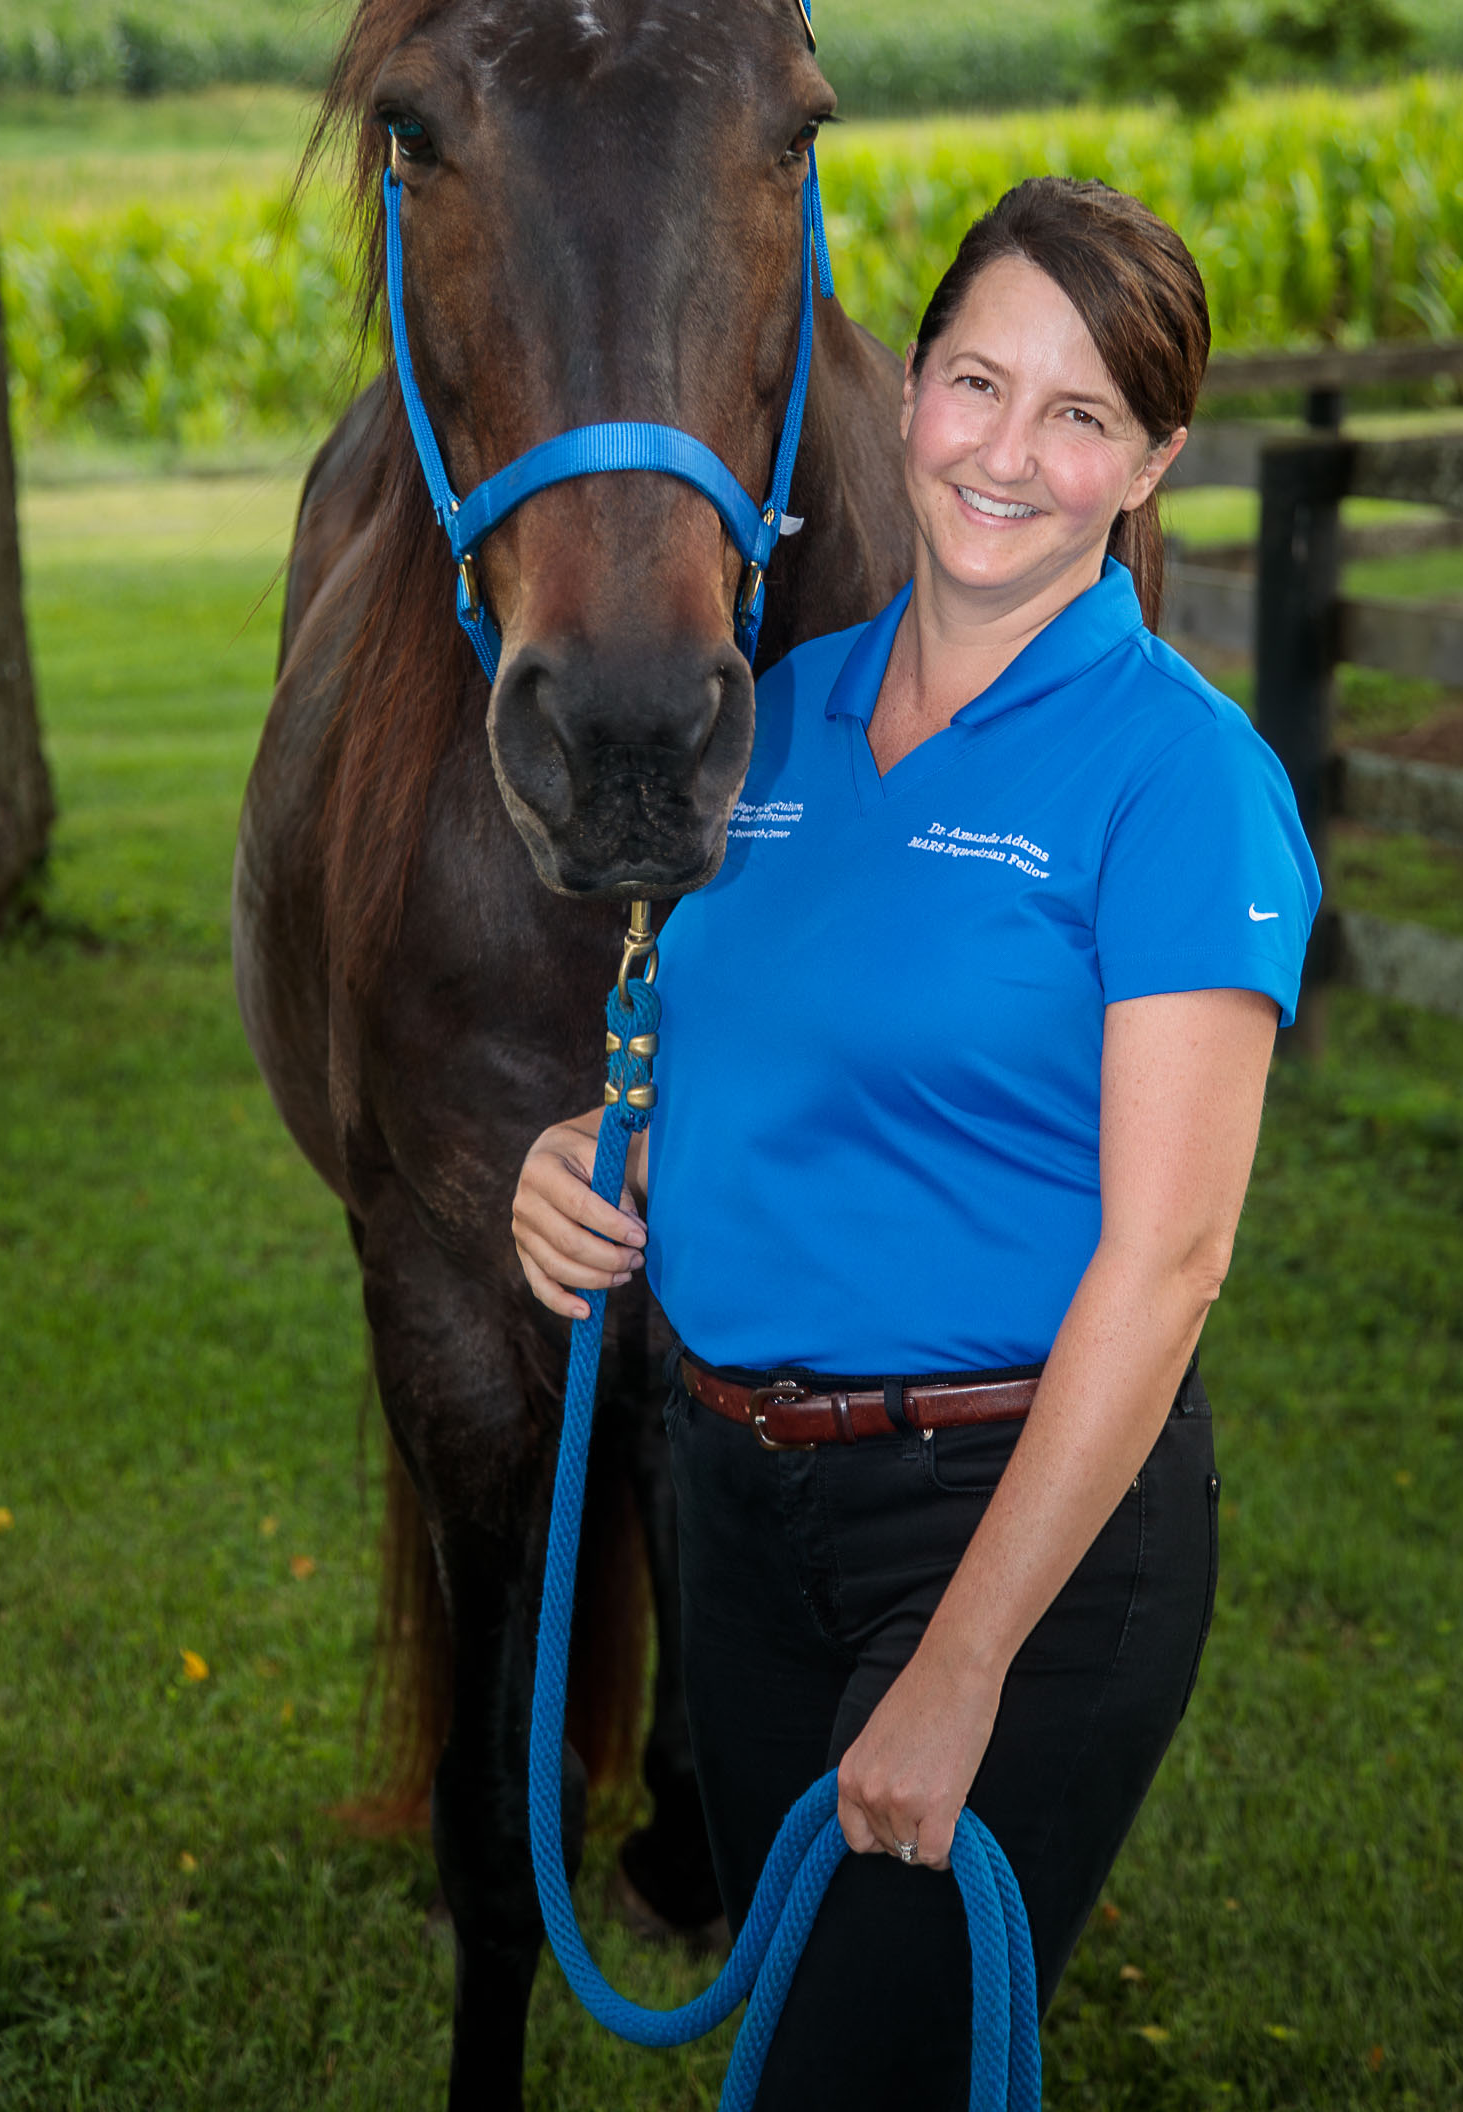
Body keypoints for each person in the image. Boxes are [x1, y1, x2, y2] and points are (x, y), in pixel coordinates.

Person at [512, 176, 1320, 2107]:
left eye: (1080, 417)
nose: (1009, 454)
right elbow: (731, 1063)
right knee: (819, 2034)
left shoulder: (1182, 777)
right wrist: (584, 1154)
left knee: (844, 2076)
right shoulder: (770, 723)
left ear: (1150, 469)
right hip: (740, 1506)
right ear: (902, 395)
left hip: (1011, 1528)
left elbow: (1171, 1260)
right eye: (978, 382)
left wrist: (964, 1664)